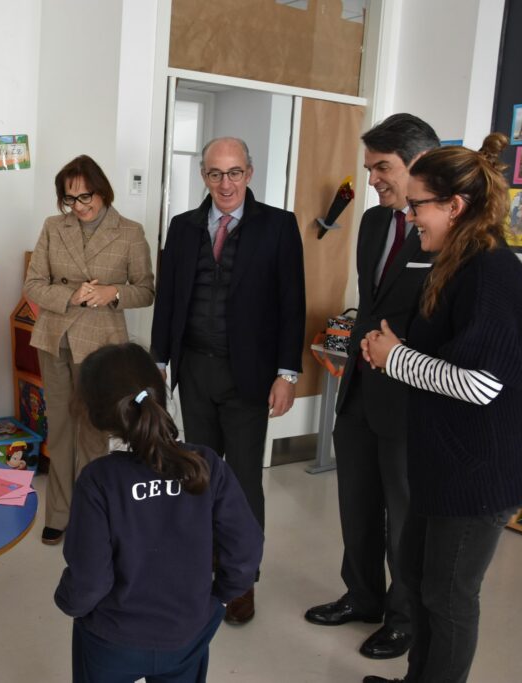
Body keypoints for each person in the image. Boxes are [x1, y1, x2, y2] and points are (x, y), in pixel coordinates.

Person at [361, 133, 522, 683]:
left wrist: (396, 360)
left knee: (448, 595)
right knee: (418, 579)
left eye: (418, 205)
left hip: (480, 473)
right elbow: (435, 350)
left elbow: (481, 384)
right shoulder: (452, 262)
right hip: (446, 464)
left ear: (454, 206)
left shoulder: (491, 272)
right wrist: (390, 349)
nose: (409, 214)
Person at [150, 136, 305, 623]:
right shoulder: (183, 227)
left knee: (241, 481)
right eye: (215, 174)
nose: (225, 183)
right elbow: (169, 301)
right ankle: (203, 566)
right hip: (194, 369)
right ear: (203, 177)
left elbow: (291, 304)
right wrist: (159, 364)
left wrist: (287, 373)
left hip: (250, 376)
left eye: (234, 172)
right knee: (198, 474)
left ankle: (241, 580)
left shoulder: (278, 227)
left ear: (250, 174)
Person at [304, 114, 439, 660]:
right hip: (359, 388)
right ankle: (363, 596)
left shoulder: (452, 233)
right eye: (370, 168)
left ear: (420, 163)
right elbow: (370, 301)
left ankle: (404, 618)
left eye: (383, 168)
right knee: (355, 502)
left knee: (404, 517)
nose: (374, 180)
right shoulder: (377, 223)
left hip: (410, 399)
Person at [55, 342, 262, 682]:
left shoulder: (99, 480)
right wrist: (219, 601)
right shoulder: (207, 464)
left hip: (110, 639)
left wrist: (69, 603)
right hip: (187, 634)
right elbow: (245, 550)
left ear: (95, 412)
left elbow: (90, 579)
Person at [23, 155, 155, 546]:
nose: (80, 207)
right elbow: (33, 284)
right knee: (60, 427)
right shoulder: (52, 227)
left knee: (95, 433)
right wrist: (71, 294)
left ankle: (91, 516)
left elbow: (146, 290)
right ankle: (59, 515)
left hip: (101, 347)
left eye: (86, 197)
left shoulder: (130, 232)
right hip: (54, 338)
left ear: (103, 191)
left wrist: (112, 292)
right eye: (71, 199)